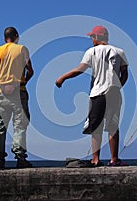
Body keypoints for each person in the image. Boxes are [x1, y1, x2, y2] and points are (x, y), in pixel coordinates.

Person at [55, 26, 129, 167]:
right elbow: (125, 73)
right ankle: (114, 159)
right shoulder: (119, 52)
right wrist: (118, 86)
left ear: (97, 38)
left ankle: (95, 159)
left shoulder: (92, 52)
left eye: (92, 37)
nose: (91, 40)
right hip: (114, 92)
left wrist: (63, 77)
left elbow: (80, 69)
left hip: (97, 93)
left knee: (96, 127)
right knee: (113, 126)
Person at [0, 26, 34, 168]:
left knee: (0, 126)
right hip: (19, 91)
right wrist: (22, 82)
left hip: (2, 93)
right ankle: (20, 158)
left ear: (4, 38)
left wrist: (3, 84)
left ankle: (0, 159)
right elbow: (30, 70)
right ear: (16, 36)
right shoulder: (22, 49)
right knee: (20, 125)